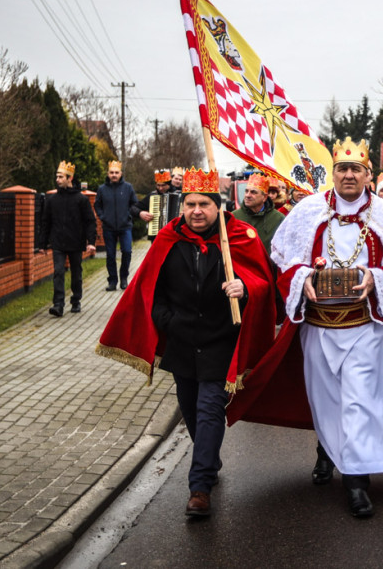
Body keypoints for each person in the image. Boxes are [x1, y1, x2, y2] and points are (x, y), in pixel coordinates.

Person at [227, 137, 383, 518]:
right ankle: (327, 451)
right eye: (342, 169)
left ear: (367, 175)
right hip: (317, 328)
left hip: (365, 329)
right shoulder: (309, 211)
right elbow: (285, 263)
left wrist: (376, 279)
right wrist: (302, 279)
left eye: (355, 169)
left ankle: (358, 482)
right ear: (334, 174)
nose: (348, 175)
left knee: (360, 400)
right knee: (327, 401)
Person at [97, 168, 277, 518]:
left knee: (211, 408)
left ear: (218, 207)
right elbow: (152, 290)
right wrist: (168, 322)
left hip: (220, 340)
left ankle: (200, 488)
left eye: (204, 205)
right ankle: (209, 458)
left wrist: (244, 287)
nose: (197, 211)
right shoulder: (168, 238)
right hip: (182, 342)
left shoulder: (241, 236)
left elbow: (263, 282)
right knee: (191, 409)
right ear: (183, 205)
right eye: (191, 203)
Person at [38, 161, 98, 316]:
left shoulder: (81, 200)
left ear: (69, 178)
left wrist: (91, 242)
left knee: (76, 273)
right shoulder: (52, 200)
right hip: (58, 242)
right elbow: (45, 222)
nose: (57, 180)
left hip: (76, 242)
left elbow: (90, 221)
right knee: (58, 271)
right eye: (56, 177)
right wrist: (42, 244)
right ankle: (58, 304)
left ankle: (76, 300)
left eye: (60, 177)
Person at [95, 160, 139, 291]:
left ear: (121, 173)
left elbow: (134, 204)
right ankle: (112, 281)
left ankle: (124, 277)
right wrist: (103, 217)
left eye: (116, 172)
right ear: (108, 174)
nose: (114, 175)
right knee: (110, 255)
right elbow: (97, 205)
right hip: (108, 227)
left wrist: (128, 215)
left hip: (125, 226)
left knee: (127, 251)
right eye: (111, 172)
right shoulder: (102, 189)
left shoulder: (128, 188)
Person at [232, 173, 284, 252]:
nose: (248, 195)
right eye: (246, 191)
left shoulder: (278, 219)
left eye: (253, 192)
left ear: (264, 197)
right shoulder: (234, 217)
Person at [133, 169, 172, 243]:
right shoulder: (152, 196)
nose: (160, 188)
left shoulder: (178, 196)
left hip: (174, 237)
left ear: (169, 185)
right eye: (158, 185)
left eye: (163, 185)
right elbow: (133, 208)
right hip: (157, 236)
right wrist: (140, 213)